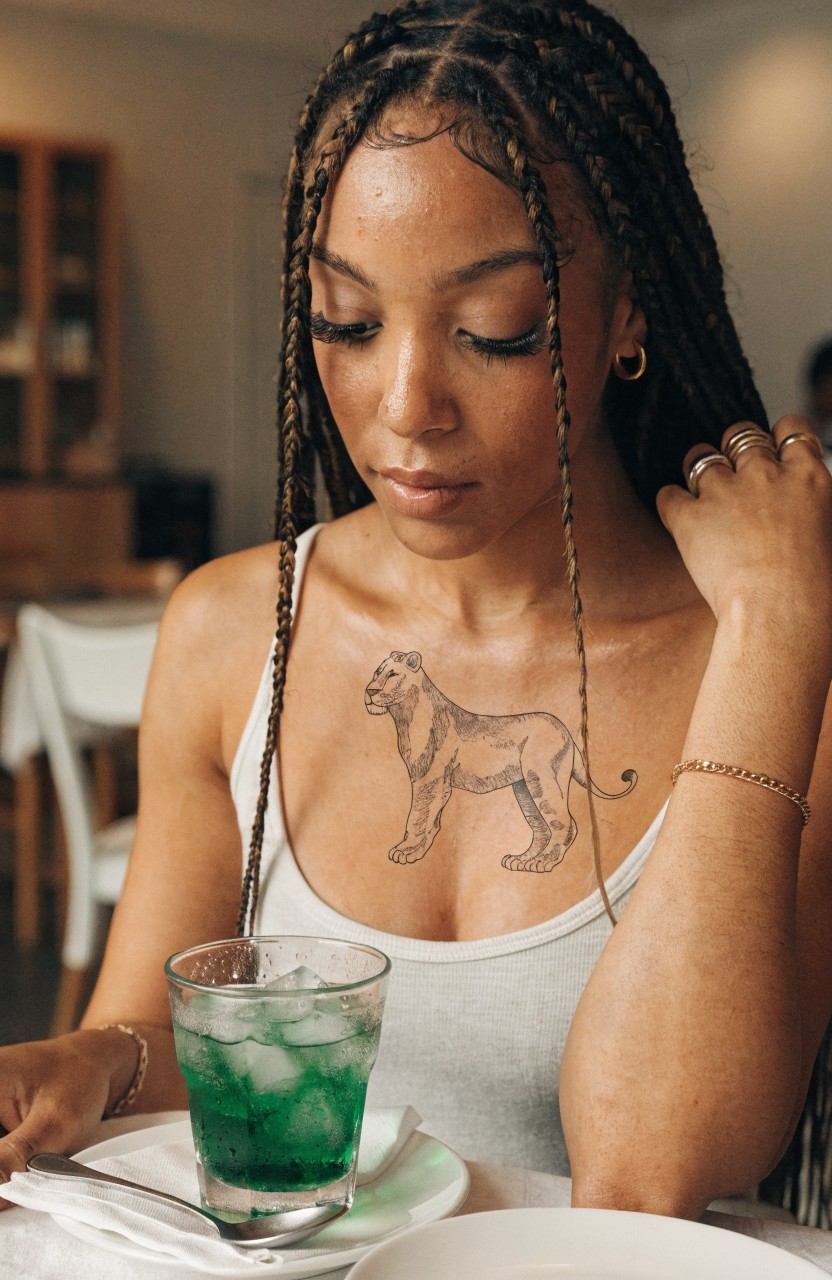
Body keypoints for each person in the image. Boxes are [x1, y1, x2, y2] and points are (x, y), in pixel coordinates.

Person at [2, 0, 831, 1225]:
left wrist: (771, 628)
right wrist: (96, 1059)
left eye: (497, 330)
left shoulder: (774, 656)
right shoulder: (235, 635)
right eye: (345, 319)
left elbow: (645, 1175)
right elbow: (169, 1042)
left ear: (629, 312)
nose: (404, 406)